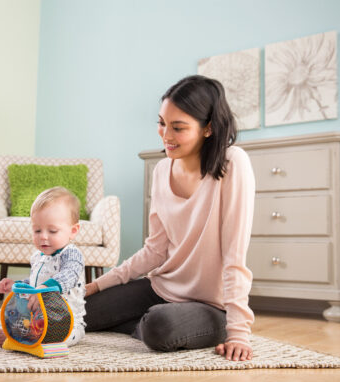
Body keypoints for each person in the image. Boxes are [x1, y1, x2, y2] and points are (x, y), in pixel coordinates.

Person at [84, 75, 255, 362]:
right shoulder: (162, 170)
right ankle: (143, 324)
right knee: (79, 309)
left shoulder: (233, 163)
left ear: (208, 128)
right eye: (162, 123)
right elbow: (155, 250)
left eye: (178, 128)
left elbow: (234, 256)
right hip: (161, 288)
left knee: (159, 326)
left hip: (211, 305)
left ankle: (162, 325)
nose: (166, 135)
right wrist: (98, 285)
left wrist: (238, 332)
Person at [0, 186, 86, 347]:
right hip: (33, 314)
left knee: (57, 337)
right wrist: (17, 285)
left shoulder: (71, 254)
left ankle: (15, 338)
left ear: (73, 231)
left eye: (53, 231)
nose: (43, 237)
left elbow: (68, 276)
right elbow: (35, 281)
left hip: (63, 320)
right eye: (37, 230)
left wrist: (43, 289)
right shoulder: (38, 257)